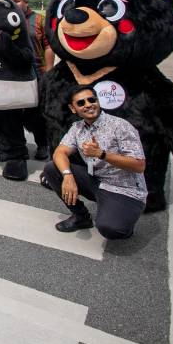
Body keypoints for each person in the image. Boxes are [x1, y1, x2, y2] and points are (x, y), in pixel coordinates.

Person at [42, 86, 147, 239]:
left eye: (91, 100)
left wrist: (101, 154)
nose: (88, 105)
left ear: (98, 101)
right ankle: (81, 217)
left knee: (110, 228)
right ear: (73, 108)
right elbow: (60, 152)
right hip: (96, 180)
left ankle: (123, 220)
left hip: (124, 189)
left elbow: (139, 165)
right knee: (52, 169)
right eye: (81, 103)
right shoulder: (77, 128)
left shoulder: (120, 126)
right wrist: (67, 176)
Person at [8, 0, 54, 160]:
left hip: (36, 72)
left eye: (16, 1)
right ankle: (18, 146)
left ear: (26, 2)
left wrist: (49, 71)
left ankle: (42, 145)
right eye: (10, 1)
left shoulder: (40, 20)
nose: (13, 4)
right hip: (12, 73)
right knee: (12, 112)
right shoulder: (5, 20)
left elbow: (49, 46)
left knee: (37, 113)